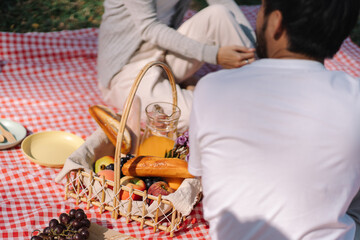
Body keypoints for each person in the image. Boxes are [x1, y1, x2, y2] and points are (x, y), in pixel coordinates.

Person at [188, 0, 360, 239]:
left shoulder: (211, 88)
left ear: (276, 24)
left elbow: (199, 171)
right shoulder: (355, 97)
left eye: (260, 10)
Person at [96, 0, 256, 130]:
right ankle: (233, 101)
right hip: (128, 68)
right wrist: (213, 54)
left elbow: (225, 4)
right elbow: (149, 27)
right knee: (187, 118)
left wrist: (257, 53)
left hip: (166, 52)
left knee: (219, 13)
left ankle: (261, 85)